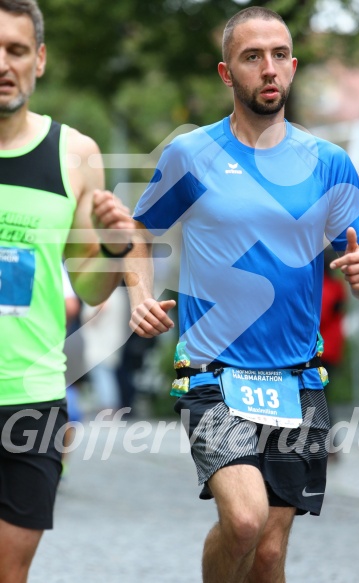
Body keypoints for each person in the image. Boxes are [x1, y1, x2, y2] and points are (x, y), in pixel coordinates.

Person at [126, 6, 359, 583]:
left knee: (269, 554)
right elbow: (138, 235)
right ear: (227, 72)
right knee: (244, 521)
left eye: (277, 56)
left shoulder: (328, 163)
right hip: (214, 372)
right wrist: (140, 293)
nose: (268, 69)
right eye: (251, 57)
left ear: (292, 67)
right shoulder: (191, 155)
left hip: (299, 376)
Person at [0, 2, 134, 582]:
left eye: (16, 50)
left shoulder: (75, 155)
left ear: (40, 59)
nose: (3, 64)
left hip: (31, 394)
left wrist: (111, 246)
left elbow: (88, 284)